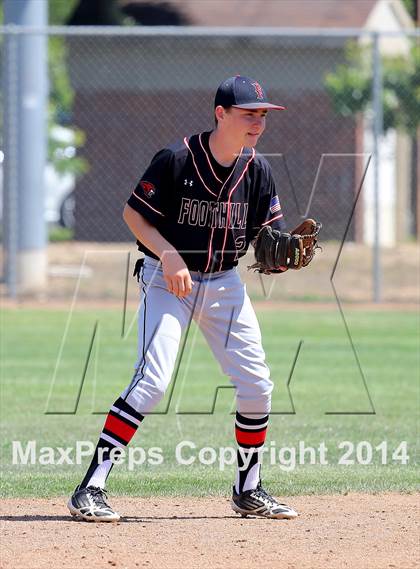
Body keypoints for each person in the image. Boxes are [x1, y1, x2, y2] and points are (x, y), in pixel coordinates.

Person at [67, 76, 298, 522]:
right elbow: (133, 214)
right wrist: (168, 253)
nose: (258, 122)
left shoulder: (258, 170)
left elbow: (266, 237)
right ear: (221, 114)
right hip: (167, 280)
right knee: (152, 381)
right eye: (249, 113)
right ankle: (89, 488)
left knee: (257, 387)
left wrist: (278, 258)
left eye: (263, 114)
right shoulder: (176, 159)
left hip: (225, 283)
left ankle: (248, 489)